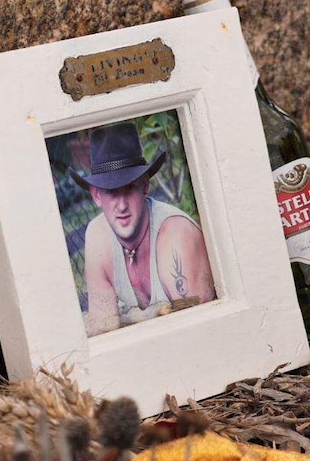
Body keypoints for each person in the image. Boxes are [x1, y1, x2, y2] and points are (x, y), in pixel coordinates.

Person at [69, 121, 216, 336]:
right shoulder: (97, 236)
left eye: (128, 189)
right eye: (111, 192)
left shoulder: (176, 235)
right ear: (96, 196)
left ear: (145, 185)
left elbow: (203, 332)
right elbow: (104, 330)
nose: (121, 206)